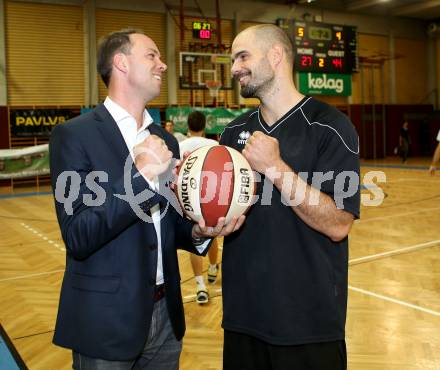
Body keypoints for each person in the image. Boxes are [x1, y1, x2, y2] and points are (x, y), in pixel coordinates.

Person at [49, 28, 244, 370]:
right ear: (121, 63)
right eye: (152, 55)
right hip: (106, 323)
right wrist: (140, 176)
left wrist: (198, 233)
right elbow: (79, 235)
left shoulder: (163, 139)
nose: (163, 65)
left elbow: (165, 225)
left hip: (166, 317)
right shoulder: (74, 135)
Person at [219, 24, 360, 370]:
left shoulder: (331, 127)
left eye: (243, 56)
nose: (234, 67)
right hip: (243, 321)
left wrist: (275, 167)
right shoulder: (232, 132)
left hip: (308, 327)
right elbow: (219, 213)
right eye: (233, 58)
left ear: (276, 55)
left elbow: (339, 224)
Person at [179, 111, 219, 304]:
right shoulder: (214, 145)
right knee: (212, 234)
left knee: (194, 240)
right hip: (212, 198)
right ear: (205, 126)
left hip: (189, 199)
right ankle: (212, 267)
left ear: (188, 125)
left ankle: (200, 285)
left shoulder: (180, 146)